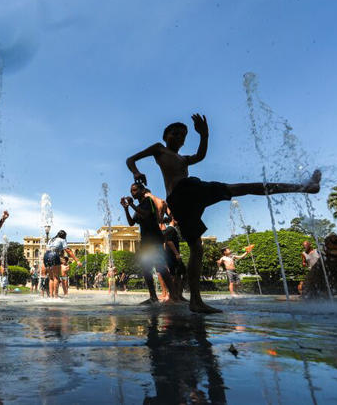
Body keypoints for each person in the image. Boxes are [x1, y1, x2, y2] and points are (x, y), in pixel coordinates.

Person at [126, 113, 321, 313]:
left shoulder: (183, 159)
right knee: (238, 188)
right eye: (175, 134)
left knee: (197, 248)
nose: (179, 138)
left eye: (183, 135)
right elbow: (130, 159)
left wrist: (204, 135)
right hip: (184, 192)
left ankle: (196, 301)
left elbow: (200, 156)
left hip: (186, 199)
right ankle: (305, 187)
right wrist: (136, 172)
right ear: (165, 135)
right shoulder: (159, 149)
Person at [121, 183, 174, 305]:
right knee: (146, 269)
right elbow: (131, 223)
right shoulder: (138, 206)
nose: (132, 193)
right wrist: (126, 208)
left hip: (154, 239)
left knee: (160, 267)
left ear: (142, 190)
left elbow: (146, 214)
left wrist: (132, 204)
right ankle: (153, 296)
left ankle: (174, 295)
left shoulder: (148, 201)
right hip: (145, 241)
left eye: (135, 190)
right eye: (131, 191)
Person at [43, 230, 81, 298]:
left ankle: (51, 296)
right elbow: (68, 250)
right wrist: (77, 260)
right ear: (64, 236)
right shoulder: (62, 240)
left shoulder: (51, 239)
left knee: (51, 278)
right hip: (54, 255)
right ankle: (56, 296)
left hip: (46, 255)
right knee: (56, 277)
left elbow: (47, 249)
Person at [163, 215, 186, 302]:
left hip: (171, 256)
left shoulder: (171, 230)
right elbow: (168, 241)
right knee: (175, 275)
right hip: (172, 256)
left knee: (179, 274)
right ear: (173, 219)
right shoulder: (170, 229)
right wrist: (177, 254)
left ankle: (177, 295)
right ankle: (173, 295)